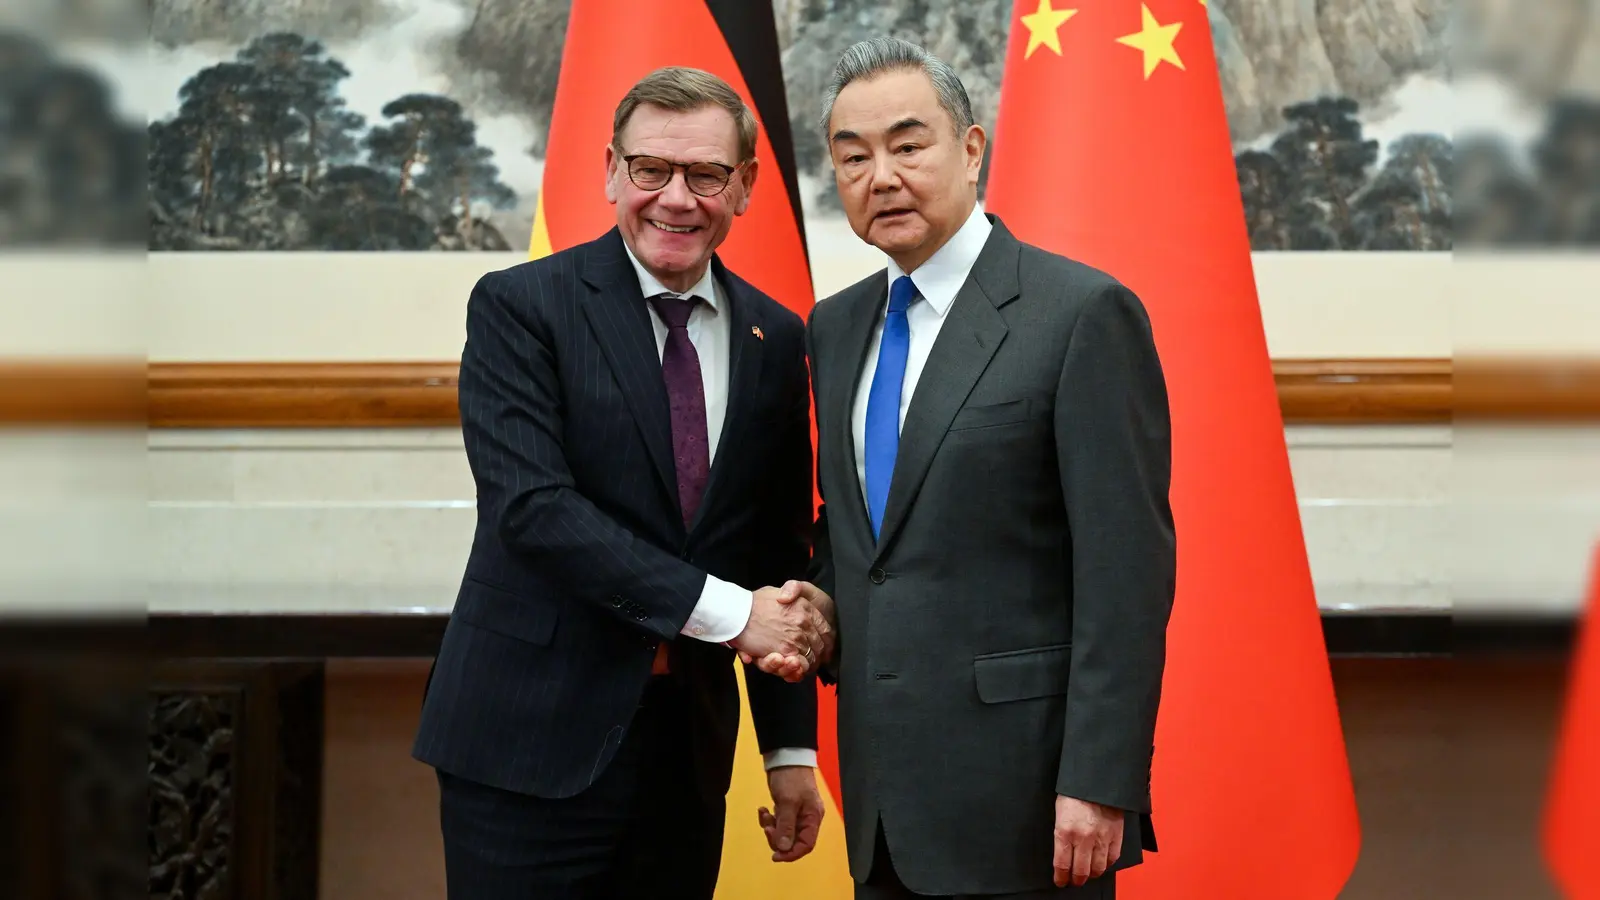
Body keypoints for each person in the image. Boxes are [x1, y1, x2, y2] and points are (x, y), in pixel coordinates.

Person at [766, 38, 1176, 899]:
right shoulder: (835, 329)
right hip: (882, 806)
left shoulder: (1079, 314)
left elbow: (1125, 572)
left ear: (972, 148)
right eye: (853, 156)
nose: (881, 176)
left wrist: (1100, 782)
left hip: (1027, 804)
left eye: (909, 145)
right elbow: (870, 543)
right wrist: (820, 609)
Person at [411, 66, 834, 899]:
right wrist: (732, 614)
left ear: (744, 187)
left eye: (707, 175)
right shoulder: (522, 306)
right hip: (527, 746)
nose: (677, 199)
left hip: (685, 756)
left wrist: (788, 752)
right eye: (651, 170)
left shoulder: (774, 338)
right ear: (611, 170)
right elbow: (534, 512)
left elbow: (775, 545)